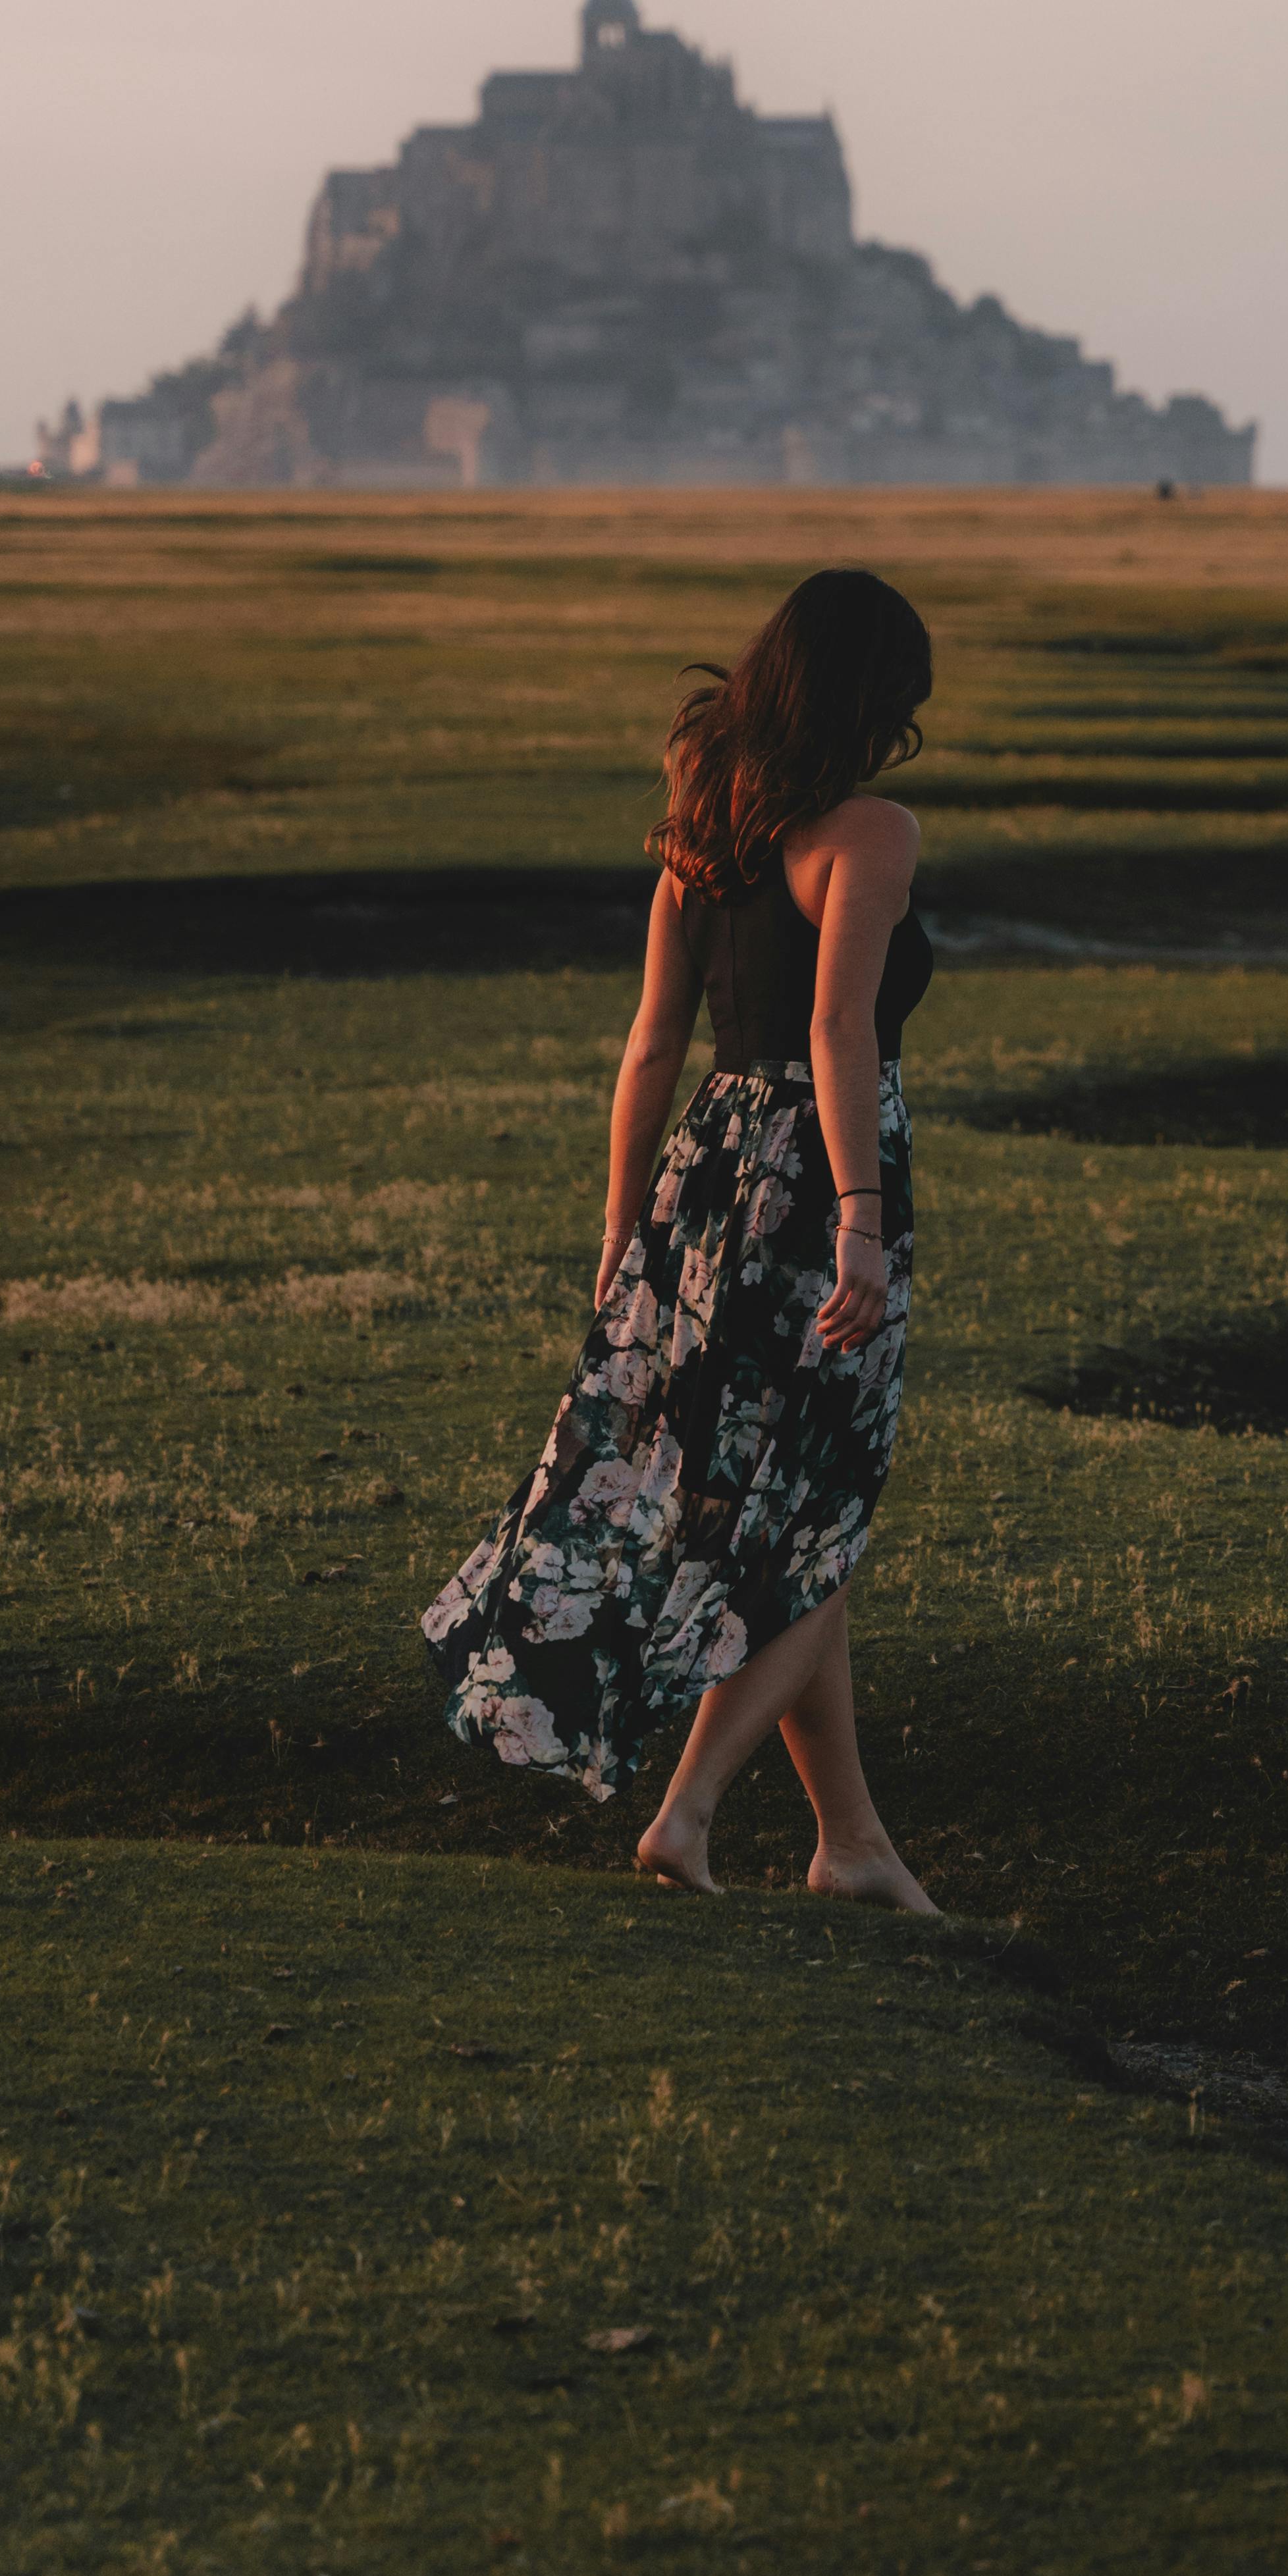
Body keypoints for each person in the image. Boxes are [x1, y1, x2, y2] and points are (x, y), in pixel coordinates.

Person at [422, 565, 940, 1909]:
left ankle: (852, 1844)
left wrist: (619, 1224)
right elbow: (837, 1030)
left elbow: (653, 1042)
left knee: (789, 1516)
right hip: (812, 1181)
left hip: (700, 1176)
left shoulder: (710, 821)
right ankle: (690, 1814)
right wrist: (866, 1221)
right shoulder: (871, 833)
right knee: (820, 1514)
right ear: (871, 699)